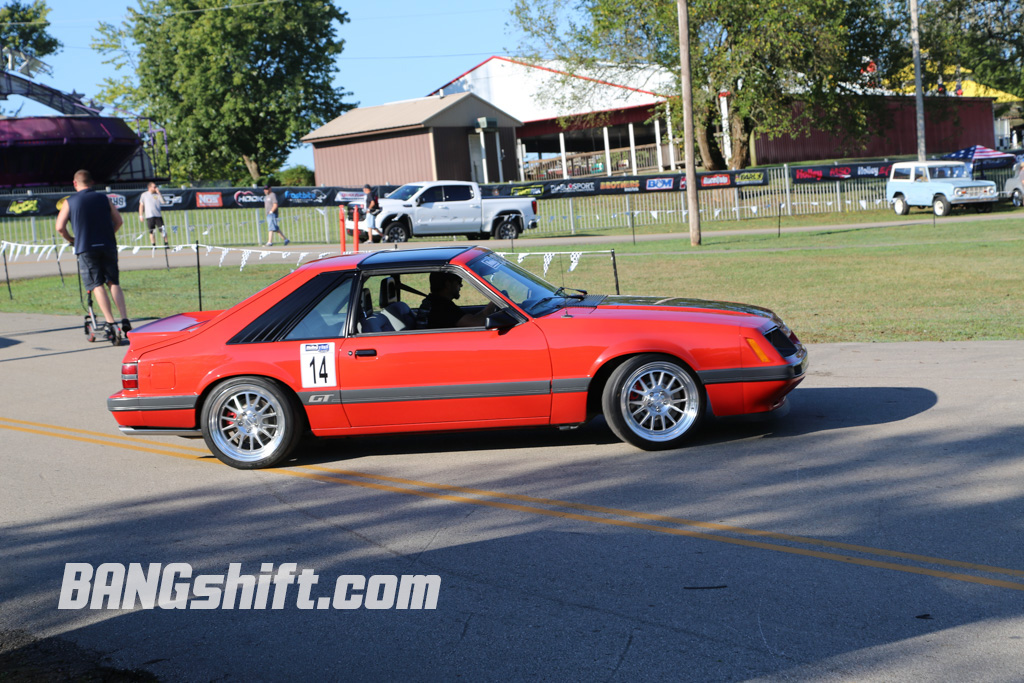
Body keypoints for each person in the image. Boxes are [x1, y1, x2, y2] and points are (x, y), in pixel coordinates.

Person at [55, 169, 130, 338]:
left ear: (75, 183)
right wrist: (109, 234)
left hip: (85, 247)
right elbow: (118, 221)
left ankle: (111, 323)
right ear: (92, 182)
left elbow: (59, 227)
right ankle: (125, 319)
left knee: (96, 284)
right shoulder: (103, 198)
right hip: (108, 245)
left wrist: (71, 239)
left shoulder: (70, 201)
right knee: (113, 281)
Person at [422, 271, 497, 328]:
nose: (461, 285)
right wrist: (495, 302)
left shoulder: (433, 302)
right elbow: (476, 323)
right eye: (459, 281)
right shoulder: (441, 308)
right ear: (448, 284)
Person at [138, 182, 168, 247]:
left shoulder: (157, 194)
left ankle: (166, 244)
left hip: (158, 215)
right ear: (149, 187)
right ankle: (153, 245)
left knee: (163, 230)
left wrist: (159, 193)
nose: (155, 188)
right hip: (149, 216)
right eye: (154, 187)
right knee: (151, 231)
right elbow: (141, 205)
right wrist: (141, 215)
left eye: (156, 187)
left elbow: (163, 202)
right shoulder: (144, 195)